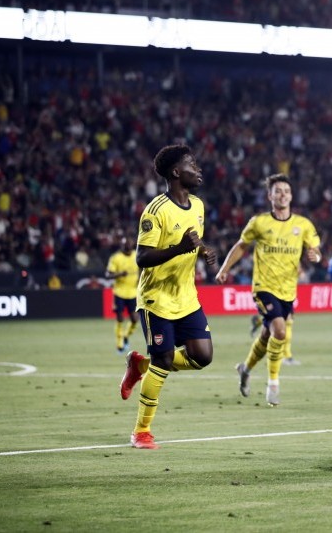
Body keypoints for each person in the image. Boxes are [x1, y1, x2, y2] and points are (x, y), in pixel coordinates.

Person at [118, 144, 218, 450]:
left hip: (186, 296)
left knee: (202, 356)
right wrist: (180, 249)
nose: (198, 169)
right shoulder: (156, 211)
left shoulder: (198, 205)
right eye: (192, 165)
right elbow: (143, 258)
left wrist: (202, 250)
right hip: (156, 298)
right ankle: (141, 431)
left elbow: (192, 238)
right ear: (176, 172)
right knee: (163, 359)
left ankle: (139, 366)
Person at [215, 173, 322, 406]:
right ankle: (273, 383)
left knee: (267, 335)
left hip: (288, 290)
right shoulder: (259, 222)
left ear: (291, 195)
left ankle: (245, 368)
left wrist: (315, 256)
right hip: (264, 287)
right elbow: (241, 246)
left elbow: (315, 250)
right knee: (280, 331)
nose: (282, 194)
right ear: (270, 196)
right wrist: (225, 268)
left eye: (286, 191)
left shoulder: (303, 225)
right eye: (278, 191)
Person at [105, 236, 139, 353]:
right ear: (122, 247)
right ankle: (119, 342)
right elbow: (108, 275)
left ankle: (126, 335)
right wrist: (119, 274)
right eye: (125, 246)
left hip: (133, 292)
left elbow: (142, 269)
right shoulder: (116, 258)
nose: (127, 248)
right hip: (119, 292)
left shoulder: (137, 255)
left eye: (129, 246)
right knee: (120, 317)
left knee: (134, 319)